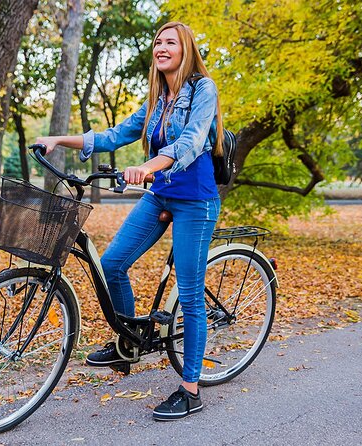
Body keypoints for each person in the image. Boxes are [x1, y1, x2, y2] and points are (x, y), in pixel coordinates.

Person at [35, 21, 223, 421]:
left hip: (196, 201)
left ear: (186, 50)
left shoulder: (203, 89)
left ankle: (191, 390)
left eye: (170, 42)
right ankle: (130, 344)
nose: (162, 47)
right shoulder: (156, 99)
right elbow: (112, 135)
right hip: (160, 194)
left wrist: (148, 166)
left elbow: (189, 142)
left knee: (189, 295)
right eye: (158, 42)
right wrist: (58, 140)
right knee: (112, 264)